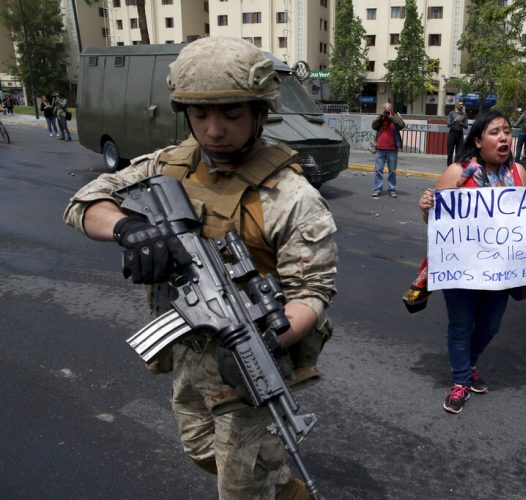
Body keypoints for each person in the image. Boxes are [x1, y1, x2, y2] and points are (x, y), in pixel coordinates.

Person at [63, 36, 338, 499]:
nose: (213, 130)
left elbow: (313, 291)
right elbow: (83, 203)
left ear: (260, 114)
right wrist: (127, 229)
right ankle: (276, 481)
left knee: (240, 488)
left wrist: (272, 335)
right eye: (199, 115)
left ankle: (275, 486)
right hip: (187, 354)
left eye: (231, 116)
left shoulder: (293, 198)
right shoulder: (166, 168)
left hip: (246, 363)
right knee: (198, 448)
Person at [418, 110, 526, 414]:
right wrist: (426, 206)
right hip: (462, 269)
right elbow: (436, 221)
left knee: (491, 325)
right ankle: (461, 380)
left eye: (507, 131)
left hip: (500, 271)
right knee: (461, 325)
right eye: (494, 132)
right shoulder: (456, 172)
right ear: (478, 140)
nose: (503, 137)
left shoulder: (518, 174)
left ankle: (469, 362)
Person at [371, 102, 404, 198]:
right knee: (378, 170)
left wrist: (391, 116)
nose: (387, 111)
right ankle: (377, 189)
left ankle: (392, 189)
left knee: (392, 171)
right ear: (383, 109)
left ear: (391, 109)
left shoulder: (395, 117)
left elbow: (401, 125)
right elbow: (373, 126)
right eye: (385, 109)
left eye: (389, 109)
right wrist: (380, 117)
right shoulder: (381, 118)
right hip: (380, 148)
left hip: (392, 149)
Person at [446, 101, 468, 165]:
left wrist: (460, 122)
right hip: (452, 133)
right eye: (460, 104)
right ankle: (449, 166)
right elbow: (448, 125)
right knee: (450, 151)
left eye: (462, 105)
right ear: (456, 105)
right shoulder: (451, 113)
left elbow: (466, 126)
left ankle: (456, 166)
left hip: (460, 134)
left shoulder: (464, 114)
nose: (461, 106)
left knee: (459, 152)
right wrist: (454, 121)